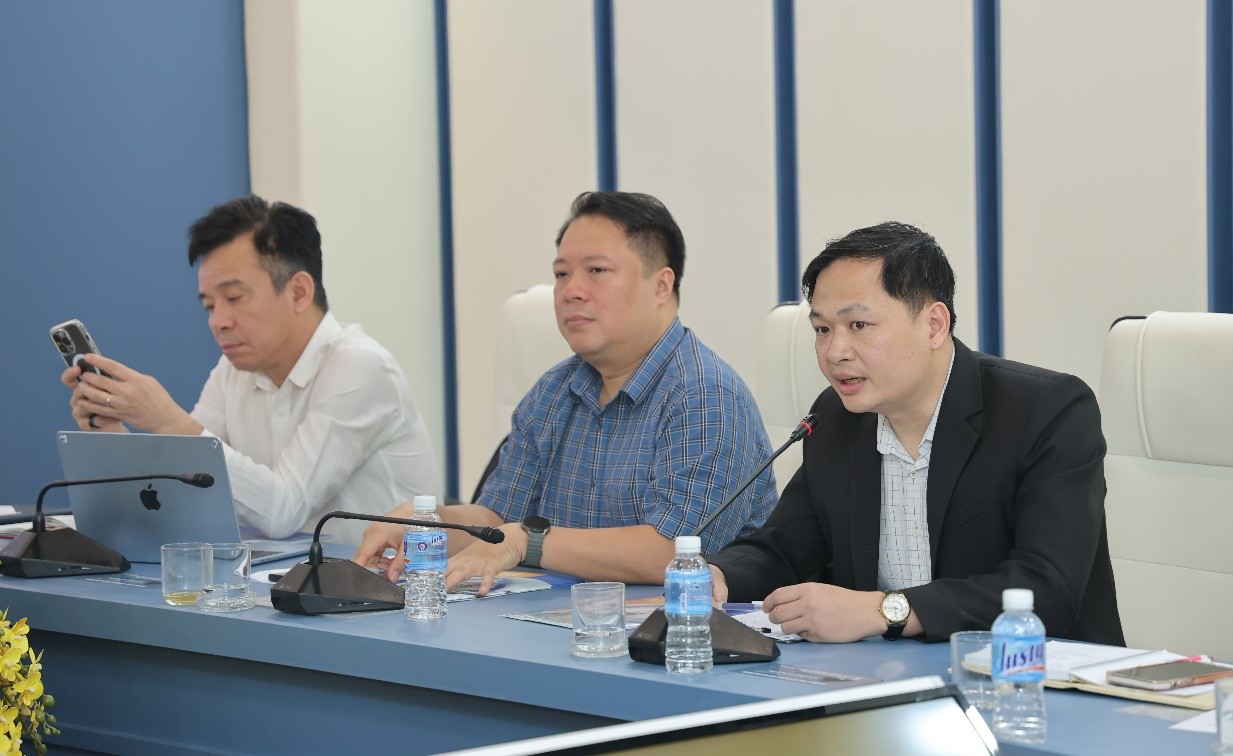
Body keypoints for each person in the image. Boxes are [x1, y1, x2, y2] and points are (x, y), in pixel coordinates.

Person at [708, 222, 1124, 645]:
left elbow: (1047, 587)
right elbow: (785, 548)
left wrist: (884, 611)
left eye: (859, 325)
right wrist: (719, 574)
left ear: (934, 325)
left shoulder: (1046, 411)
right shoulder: (835, 417)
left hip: (1038, 671)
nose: (835, 352)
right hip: (891, 671)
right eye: (822, 329)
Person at [354, 191, 777, 591]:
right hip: (555, 622)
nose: (571, 291)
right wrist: (430, 523)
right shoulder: (554, 391)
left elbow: (675, 552)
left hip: (678, 631)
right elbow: (497, 518)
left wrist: (529, 541)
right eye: (561, 274)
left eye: (596, 271)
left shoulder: (705, 395)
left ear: (661, 286)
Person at [61, 195, 439, 543]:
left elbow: (282, 510)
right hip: (287, 581)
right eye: (209, 305)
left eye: (234, 297)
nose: (218, 322)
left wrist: (166, 419)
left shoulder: (360, 367)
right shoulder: (233, 371)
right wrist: (114, 435)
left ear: (299, 292)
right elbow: (182, 495)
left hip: (390, 585)